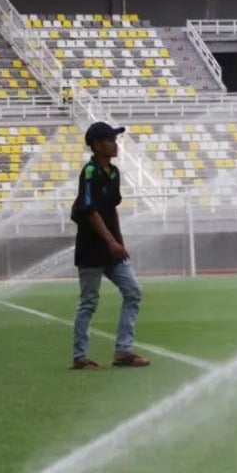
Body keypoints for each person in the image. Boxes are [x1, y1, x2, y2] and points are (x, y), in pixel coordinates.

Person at [69, 121, 150, 370]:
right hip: (92, 248)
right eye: (110, 140)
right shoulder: (90, 172)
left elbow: (111, 208)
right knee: (89, 302)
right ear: (96, 144)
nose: (115, 145)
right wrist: (112, 241)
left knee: (133, 291)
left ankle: (123, 351)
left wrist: (118, 242)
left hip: (112, 249)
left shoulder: (114, 173)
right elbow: (90, 211)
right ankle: (80, 357)